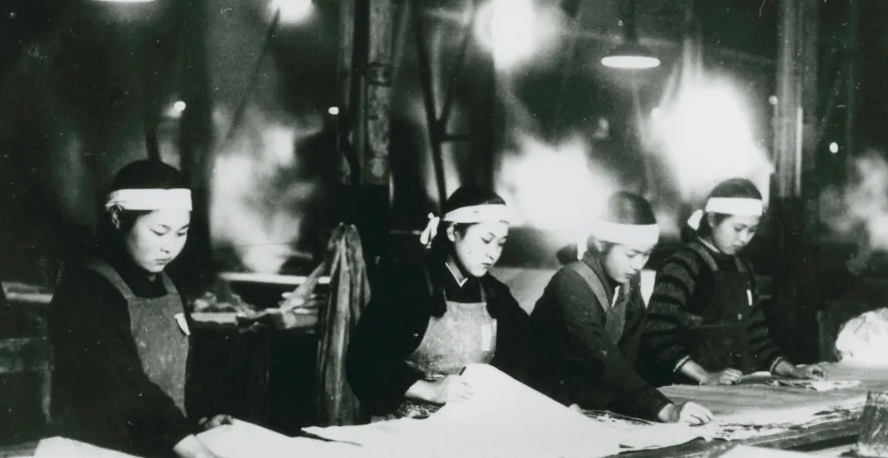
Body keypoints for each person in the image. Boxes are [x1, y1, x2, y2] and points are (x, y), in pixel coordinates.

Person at [49, 160, 261, 458]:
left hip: (168, 450)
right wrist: (202, 456)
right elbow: (124, 387)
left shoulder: (169, 287)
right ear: (119, 219)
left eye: (181, 233)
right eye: (158, 231)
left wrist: (201, 419)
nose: (169, 247)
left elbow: (184, 374)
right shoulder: (87, 291)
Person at [528, 192, 713, 426]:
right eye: (631, 254)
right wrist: (664, 409)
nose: (638, 265)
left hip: (588, 397)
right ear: (602, 244)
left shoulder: (627, 282)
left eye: (646, 255)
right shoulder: (572, 282)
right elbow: (602, 357)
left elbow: (631, 353)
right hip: (547, 395)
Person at [346, 185, 530, 420]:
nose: (493, 254)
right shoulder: (408, 287)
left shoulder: (496, 295)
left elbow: (525, 356)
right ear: (453, 232)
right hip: (404, 427)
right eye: (486, 240)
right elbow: (363, 361)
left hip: (467, 424)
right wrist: (430, 390)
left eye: (501, 243)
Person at [640, 178, 826, 386]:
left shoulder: (743, 268)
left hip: (731, 387)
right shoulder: (683, 265)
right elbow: (656, 334)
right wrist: (704, 376)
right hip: (686, 391)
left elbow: (757, 336)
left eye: (752, 230)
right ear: (712, 220)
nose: (744, 238)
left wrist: (791, 370)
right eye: (738, 228)